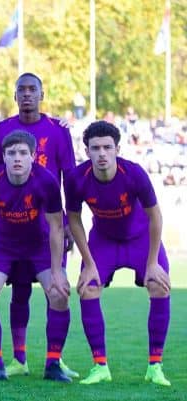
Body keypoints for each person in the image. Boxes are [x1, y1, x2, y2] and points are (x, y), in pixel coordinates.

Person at [64, 121, 171, 386]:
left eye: (107, 147)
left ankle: (155, 367)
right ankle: (100, 366)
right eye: (95, 148)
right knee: (87, 288)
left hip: (141, 238)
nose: (101, 153)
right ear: (86, 150)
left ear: (117, 149)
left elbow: (155, 216)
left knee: (159, 286)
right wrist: (88, 263)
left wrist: (153, 262)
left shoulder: (134, 173)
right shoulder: (77, 178)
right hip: (104, 240)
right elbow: (74, 219)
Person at [0, 72, 77, 378]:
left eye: (33, 90)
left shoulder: (58, 130)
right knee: (20, 293)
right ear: (15, 96)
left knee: (56, 289)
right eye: (21, 90)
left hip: (48, 229)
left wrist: (68, 221)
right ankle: (19, 358)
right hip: (13, 227)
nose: (27, 94)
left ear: (42, 94)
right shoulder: (2, 129)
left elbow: (70, 176)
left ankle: (55, 359)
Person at [0, 130, 72, 383]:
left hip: (39, 245)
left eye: (22, 153)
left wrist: (57, 270)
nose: (17, 158)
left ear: (33, 157)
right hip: (2, 245)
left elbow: (56, 227)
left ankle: (53, 364)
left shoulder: (47, 181)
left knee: (59, 294)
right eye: (11, 153)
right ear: (3, 157)